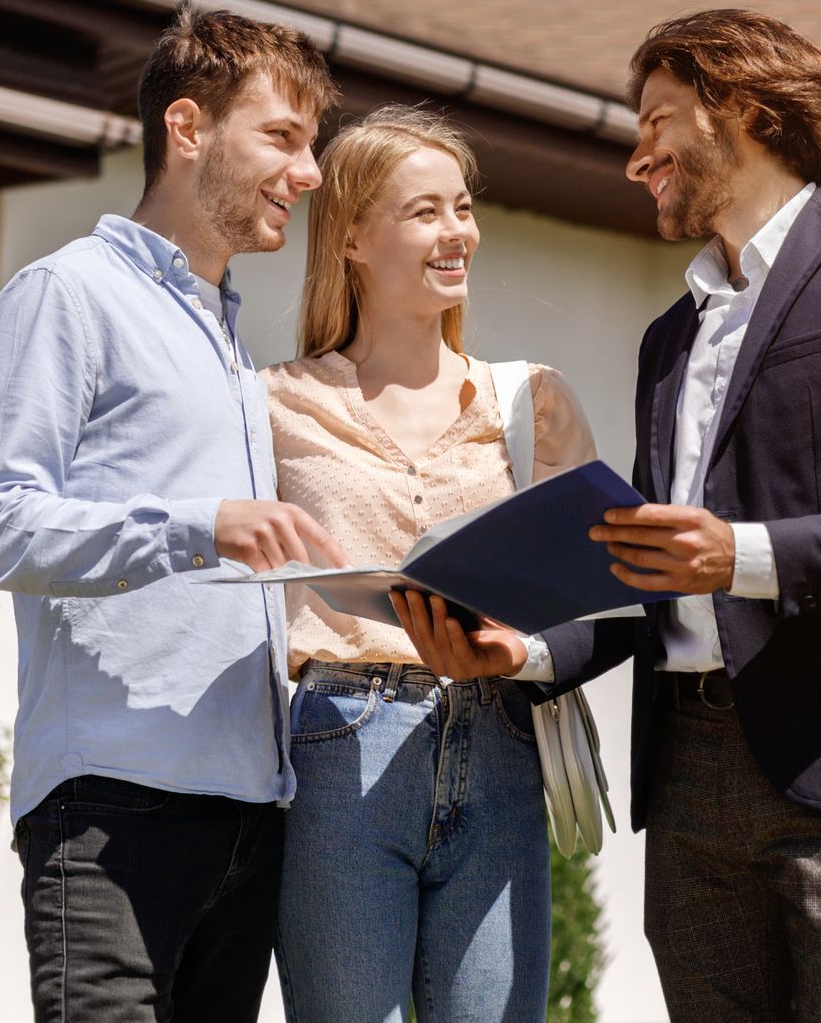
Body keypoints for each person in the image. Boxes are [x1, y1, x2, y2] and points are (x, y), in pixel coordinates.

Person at [406, 8, 821, 1022]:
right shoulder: (668, 340)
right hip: (686, 782)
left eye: (657, 123)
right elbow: (651, 572)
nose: (638, 160)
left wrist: (744, 555)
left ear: (745, 112)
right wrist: (527, 651)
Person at [0, 8, 348, 1023]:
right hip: (112, 815)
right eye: (282, 138)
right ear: (188, 128)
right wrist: (195, 525)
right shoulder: (68, 296)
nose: (308, 174)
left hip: (252, 822)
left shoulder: (226, 339)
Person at [259, 105, 595, 1023]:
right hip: (339, 749)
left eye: (463, 208)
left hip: (499, 743)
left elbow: (598, 604)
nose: (457, 234)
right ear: (354, 236)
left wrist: (516, 651)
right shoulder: (272, 405)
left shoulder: (531, 401)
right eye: (424, 212)